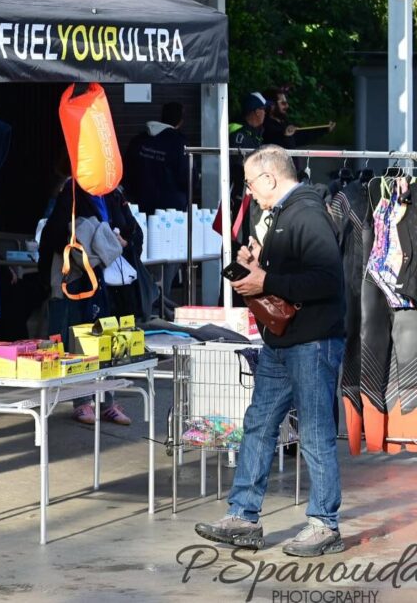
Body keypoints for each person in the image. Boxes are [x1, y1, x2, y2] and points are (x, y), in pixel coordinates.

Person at [194, 145, 346, 557]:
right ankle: (243, 516)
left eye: (249, 183)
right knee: (259, 424)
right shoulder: (283, 214)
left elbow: (327, 281)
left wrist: (266, 280)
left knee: (314, 431)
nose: (248, 191)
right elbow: (295, 273)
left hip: (311, 341)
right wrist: (261, 264)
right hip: (284, 341)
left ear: (270, 178)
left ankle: (324, 524)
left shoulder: (306, 212)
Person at [37, 177, 132, 425]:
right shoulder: (71, 192)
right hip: (75, 280)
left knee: (107, 339)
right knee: (77, 340)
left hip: (107, 281)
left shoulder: (114, 195)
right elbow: (53, 235)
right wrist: (95, 243)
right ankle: (82, 402)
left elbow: (131, 229)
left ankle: (107, 401)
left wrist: (120, 242)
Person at [123, 102, 190, 315]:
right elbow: (186, 178)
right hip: (170, 216)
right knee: (169, 259)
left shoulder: (139, 140)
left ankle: (144, 302)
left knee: (141, 257)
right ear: (180, 119)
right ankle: (161, 305)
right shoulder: (178, 143)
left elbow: (127, 174)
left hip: (139, 212)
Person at [262, 88, 336, 149]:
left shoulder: (284, 122)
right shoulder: (264, 125)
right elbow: (274, 144)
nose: (287, 106)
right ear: (272, 105)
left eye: (286, 103)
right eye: (283, 103)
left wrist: (324, 129)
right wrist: (286, 136)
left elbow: (302, 137)